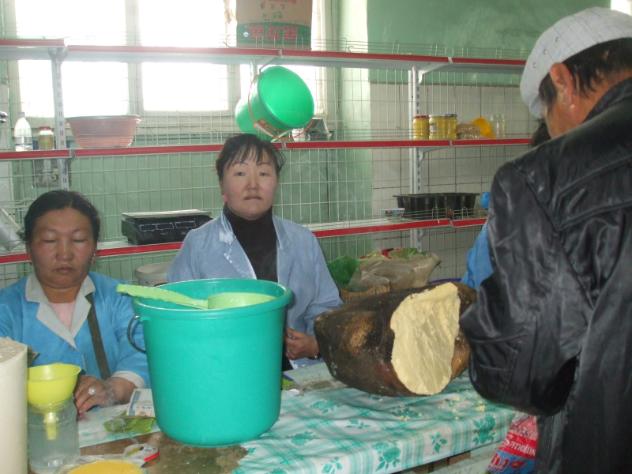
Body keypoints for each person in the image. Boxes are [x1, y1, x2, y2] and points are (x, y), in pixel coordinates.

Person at [460, 7, 632, 473]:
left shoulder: (548, 177)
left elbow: (516, 375)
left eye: (548, 114)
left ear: (562, 81)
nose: (552, 132)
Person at [168, 133, 342, 368]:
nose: (253, 184)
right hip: (225, 371)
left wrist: (315, 344)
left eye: (263, 173)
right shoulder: (198, 245)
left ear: (276, 182)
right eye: (240, 173)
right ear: (222, 185)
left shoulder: (302, 240)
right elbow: (178, 318)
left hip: (299, 372)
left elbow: (327, 306)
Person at [0, 190, 149, 414]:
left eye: (78, 240)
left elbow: (141, 353)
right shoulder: (6, 309)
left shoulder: (119, 298)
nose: (65, 253)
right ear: (29, 248)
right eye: (50, 240)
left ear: (94, 248)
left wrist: (112, 389)